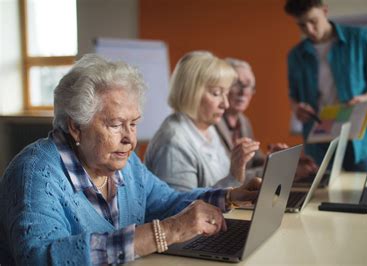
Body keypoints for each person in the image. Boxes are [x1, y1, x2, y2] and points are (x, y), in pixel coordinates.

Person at [0, 54, 260, 265]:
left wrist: (228, 196)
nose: (129, 140)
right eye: (115, 125)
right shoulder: (35, 172)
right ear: (76, 127)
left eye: (133, 124)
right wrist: (164, 233)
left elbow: (166, 201)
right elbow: (37, 257)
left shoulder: (126, 162)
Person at [284, 0, 367, 172]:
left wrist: (365, 98)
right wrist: (298, 108)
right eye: (302, 25)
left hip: (358, 137)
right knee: (321, 196)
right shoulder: (295, 55)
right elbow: (293, 95)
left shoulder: (360, 38)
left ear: (325, 11)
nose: (309, 30)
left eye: (313, 21)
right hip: (319, 139)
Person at [144, 51, 260, 191]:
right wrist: (234, 176)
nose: (225, 104)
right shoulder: (174, 142)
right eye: (216, 93)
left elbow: (221, 183)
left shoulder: (207, 128)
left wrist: (238, 171)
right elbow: (181, 208)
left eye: (226, 93)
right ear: (192, 92)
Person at [215, 58, 318, 180]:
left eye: (248, 85)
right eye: (236, 83)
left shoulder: (244, 121)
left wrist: (283, 160)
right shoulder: (210, 123)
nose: (243, 92)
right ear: (223, 88)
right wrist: (282, 170)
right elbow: (227, 177)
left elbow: (257, 161)